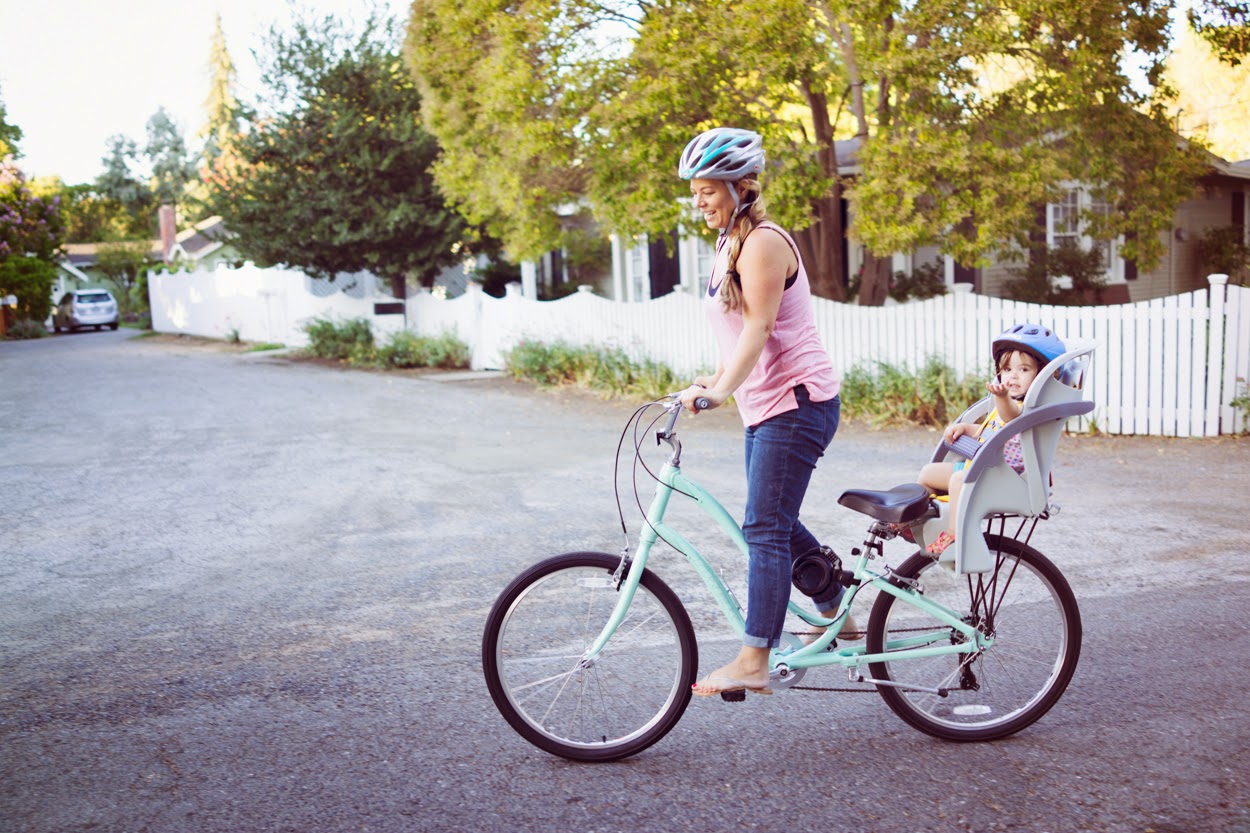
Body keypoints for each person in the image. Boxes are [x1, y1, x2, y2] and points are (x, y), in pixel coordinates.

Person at [674, 127, 846, 698]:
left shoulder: (764, 243)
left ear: (740, 186)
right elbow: (738, 332)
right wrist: (718, 377)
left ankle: (755, 659)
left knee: (764, 528)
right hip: (769, 405)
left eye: (708, 190)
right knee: (774, 520)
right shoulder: (731, 242)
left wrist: (723, 391)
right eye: (696, 192)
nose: (700, 202)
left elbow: (761, 326)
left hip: (796, 402)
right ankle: (835, 606)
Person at [917, 323, 1067, 556]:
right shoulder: (1009, 402)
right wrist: (965, 428)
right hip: (983, 468)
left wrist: (1003, 398)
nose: (1013, 375)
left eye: (1024, 369)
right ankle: (918, 519)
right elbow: (992, 429)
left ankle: (954, 533)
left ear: (1044, 376)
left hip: (1005, 476)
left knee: (958, 480)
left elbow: (1011, 418)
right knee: (928, 473)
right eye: (1007, 369)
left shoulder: (1028, 407)